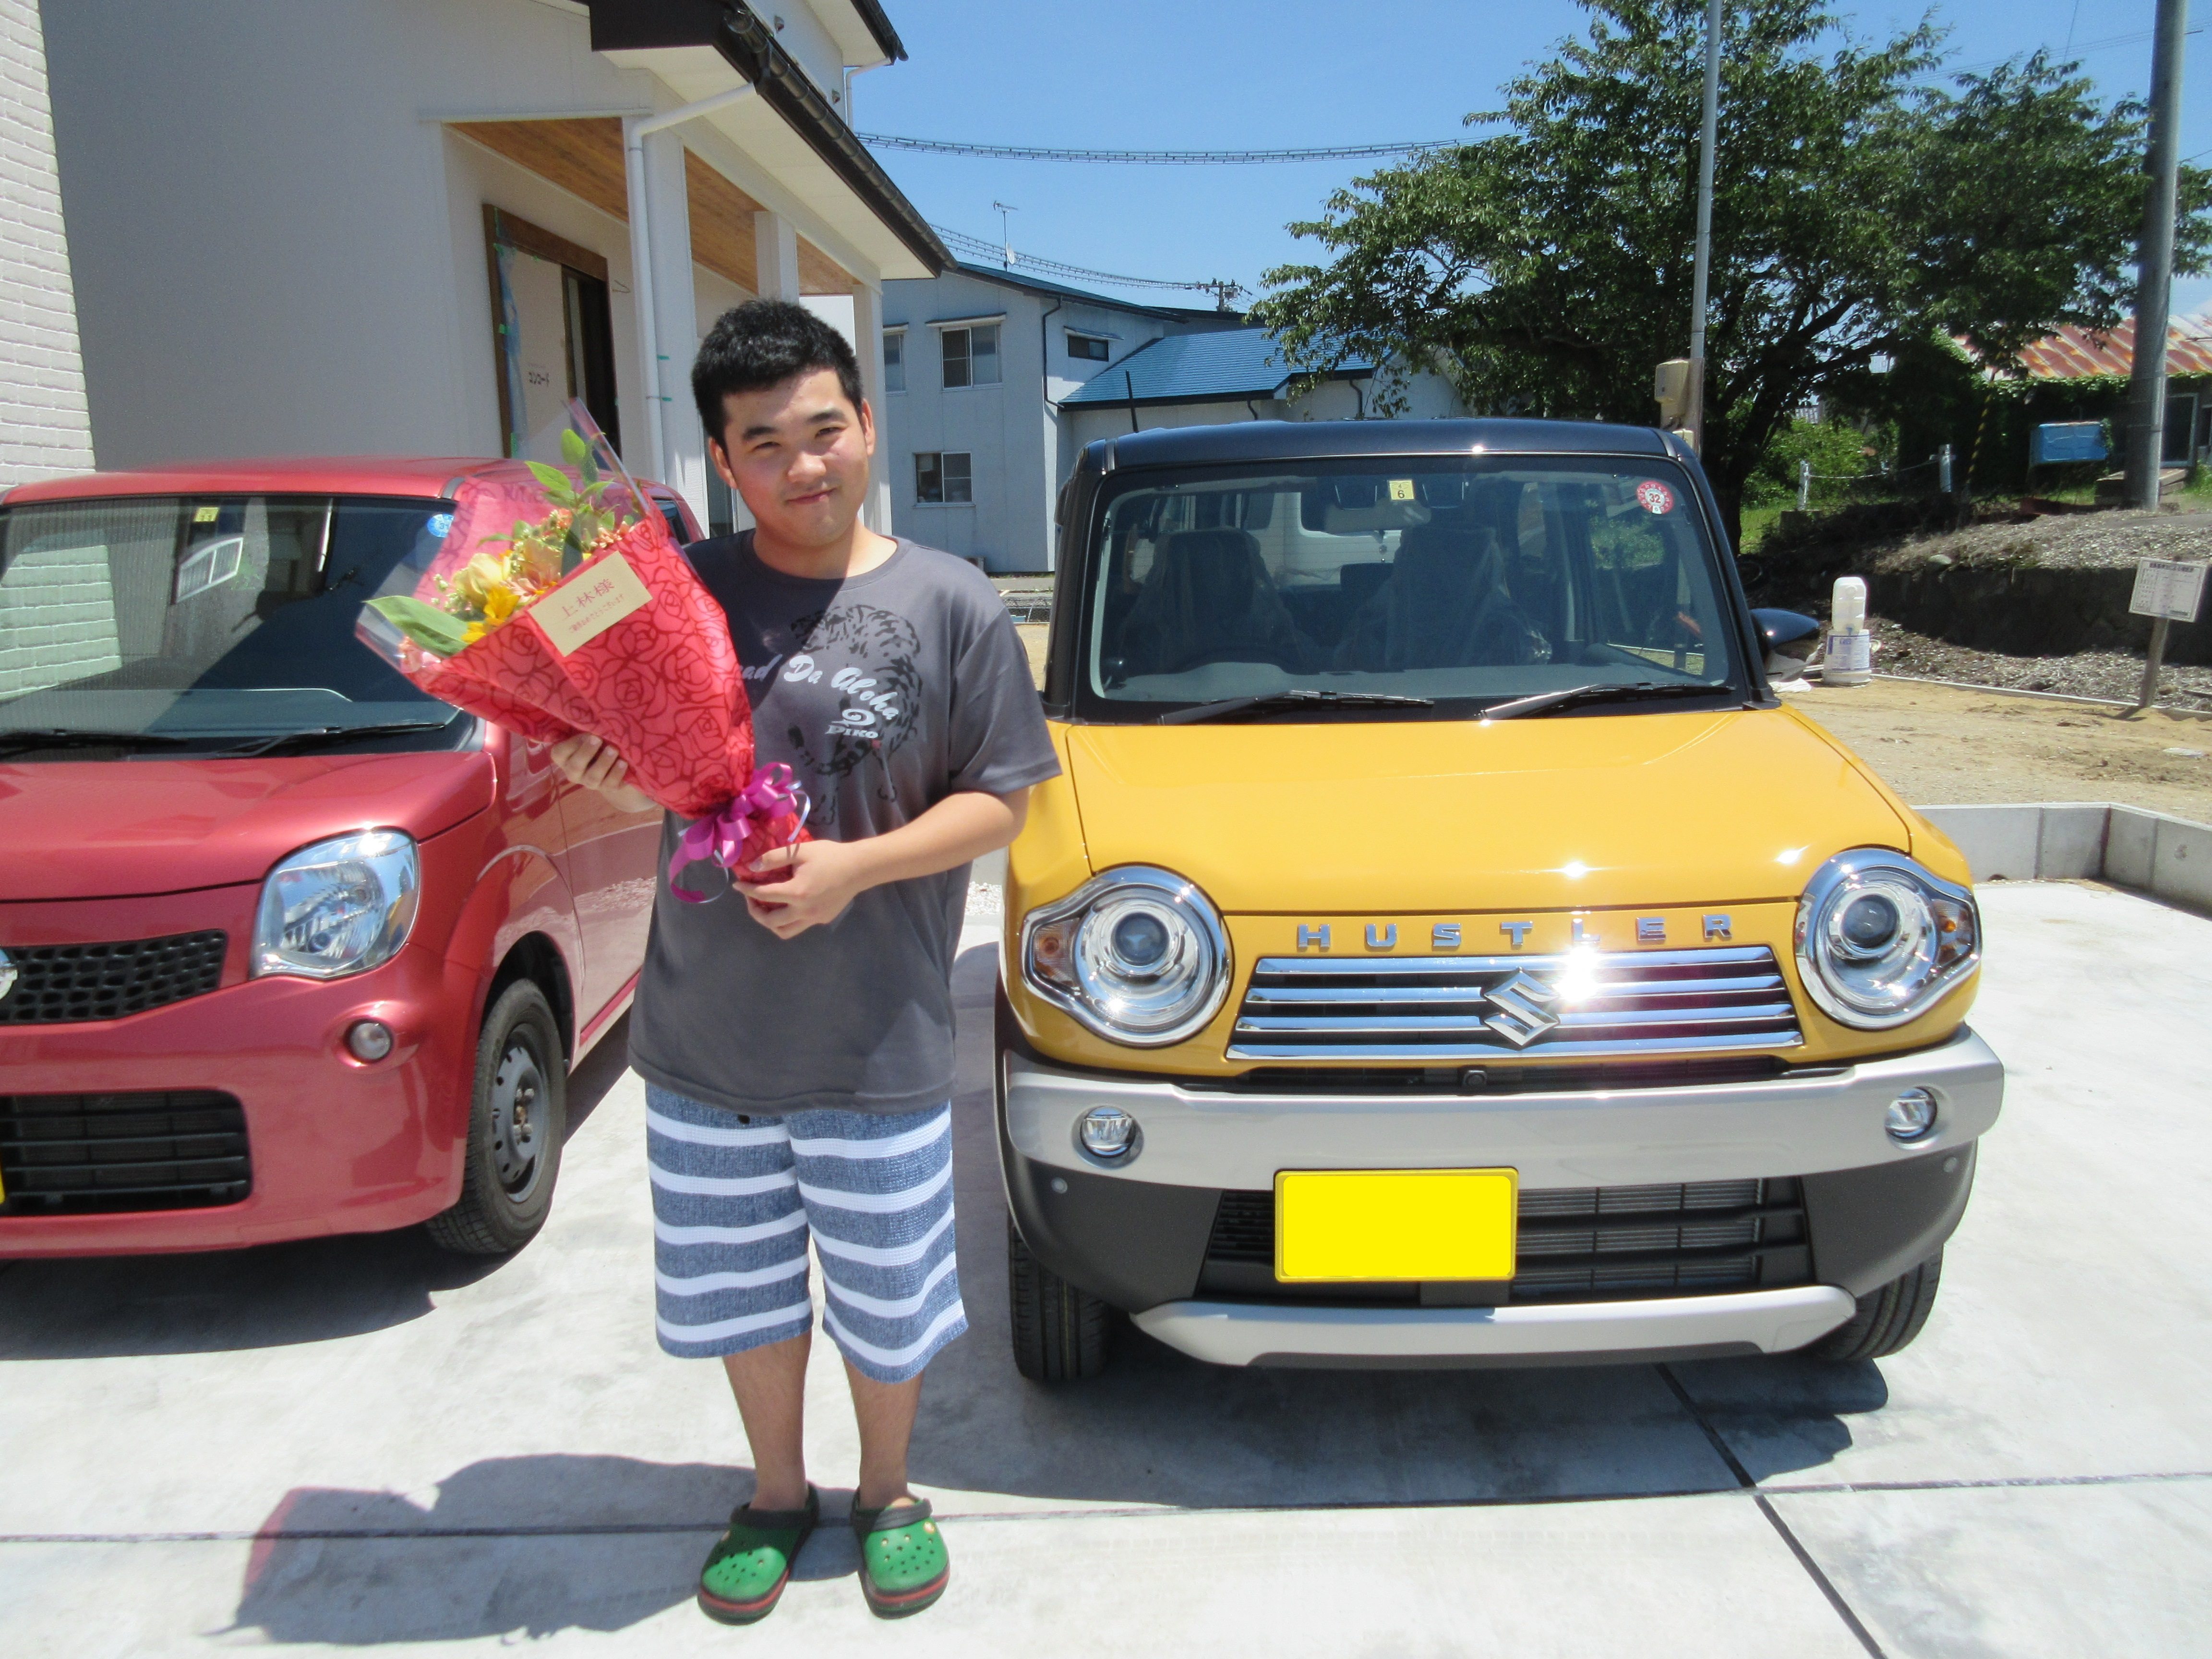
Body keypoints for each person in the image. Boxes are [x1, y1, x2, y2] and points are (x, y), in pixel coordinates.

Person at [549, 299, 1058, 1623]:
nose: (803, 466)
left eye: (824, 430)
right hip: (703, 1037)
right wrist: (606, 769)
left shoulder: (952, 601)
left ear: (868, 425)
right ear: (724, 462)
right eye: (764, 444)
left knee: (888, 1297)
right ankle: (777, 1493)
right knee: (745, 1297)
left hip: (878, 1034)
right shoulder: (677, 596)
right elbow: (645, 771)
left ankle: (888, 1493)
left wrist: (851, 870)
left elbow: (1003, 802)